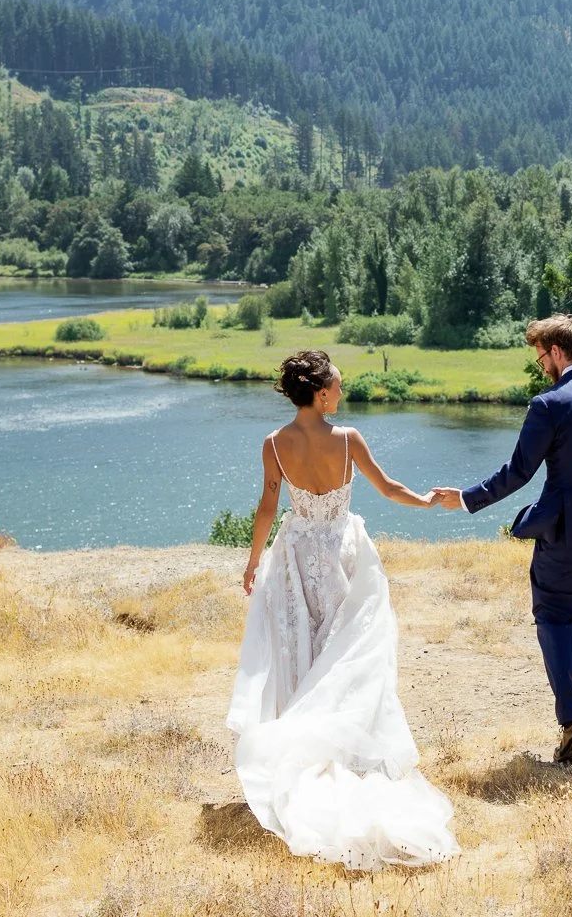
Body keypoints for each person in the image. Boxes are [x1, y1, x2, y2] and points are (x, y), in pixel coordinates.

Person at [227, 350, 459, 870]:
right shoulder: (349, 439)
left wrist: (253, 561)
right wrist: (427, 502)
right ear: (321, 391)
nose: (342, 388)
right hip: (342, 555)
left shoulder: (273, 444)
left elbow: (268, 505)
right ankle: (343, 751)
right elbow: (387, 487)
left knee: (300, 654)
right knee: (347, 653)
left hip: (293, 557)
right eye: (337, 382)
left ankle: (301, 756)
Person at [431, 314, 572, 767]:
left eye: (541, 359)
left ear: (557, 352)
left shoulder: (550, 404)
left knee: (555, 620)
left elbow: (518, 473)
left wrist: (468, 499)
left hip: (562, 539)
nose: (542, 369)